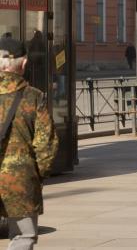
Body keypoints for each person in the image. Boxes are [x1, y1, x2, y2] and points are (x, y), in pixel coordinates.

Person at [0, 38, 58, 250]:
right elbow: (46, 145)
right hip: (21, 181)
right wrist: (37, 176)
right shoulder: (33, 97)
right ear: (23, 64)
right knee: (23, 236)